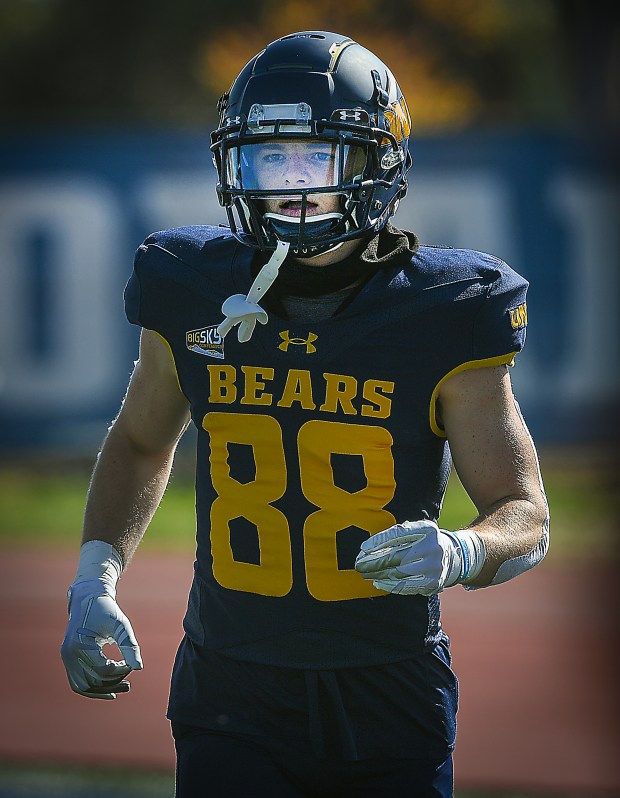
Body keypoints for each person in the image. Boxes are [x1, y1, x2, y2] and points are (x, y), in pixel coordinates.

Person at [60, 30, 549, 798]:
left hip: (388, 690)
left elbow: (525, 514)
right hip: (231, 688)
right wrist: (95, 580)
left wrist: (462, 551)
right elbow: (141, 442)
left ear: (374, 163)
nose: (290, 186)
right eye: (268, 159)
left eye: (314, 160)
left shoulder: (447, 309)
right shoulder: (190, 283)